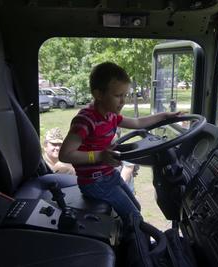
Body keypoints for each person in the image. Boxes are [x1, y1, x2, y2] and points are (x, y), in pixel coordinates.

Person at [59, 62, 180, 225]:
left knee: (136, 207)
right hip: (94, 182)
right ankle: (134, 248)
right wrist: (100, 155)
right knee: (135, 218)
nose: (123, 101)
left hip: (110, 175)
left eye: (125, 95)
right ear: (98, 94)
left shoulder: (111, 116)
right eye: (118, 95)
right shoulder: (85, 120)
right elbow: (65, 154)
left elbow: (137, 123)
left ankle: (124, 239)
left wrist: (164, 116)